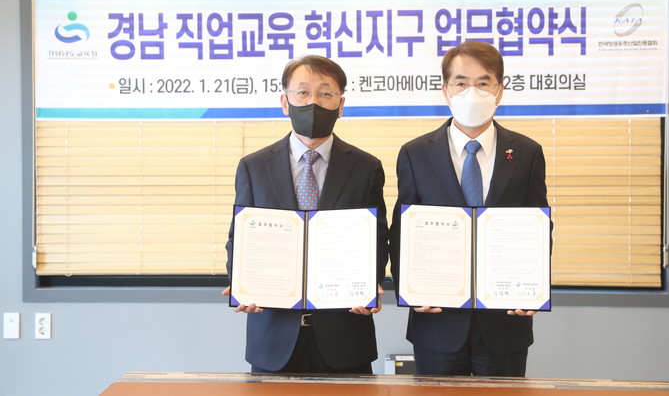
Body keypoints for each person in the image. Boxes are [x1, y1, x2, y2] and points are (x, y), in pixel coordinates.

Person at [389, 40, 549, 377]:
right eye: (461, 83)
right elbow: (402, 229)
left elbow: (538, 226)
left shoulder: (527, 152)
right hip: (436, 317)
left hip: (505, 319)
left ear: (499, 91)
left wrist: (533, 288)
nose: (471, 92)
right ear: (446, 90)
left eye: (483, 83)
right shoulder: (416, 153)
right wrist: (409, 289)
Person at [222, 55, 389, 374]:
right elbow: (240, 237)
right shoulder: (254, 167)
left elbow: (378, 238)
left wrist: (371, 284)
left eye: (325, 93)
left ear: (340, 105)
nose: (313, 102)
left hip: (345, 334)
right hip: (273, 336)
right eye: (302, 93)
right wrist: (241, 282)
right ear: (285, 102)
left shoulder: (365, 167)